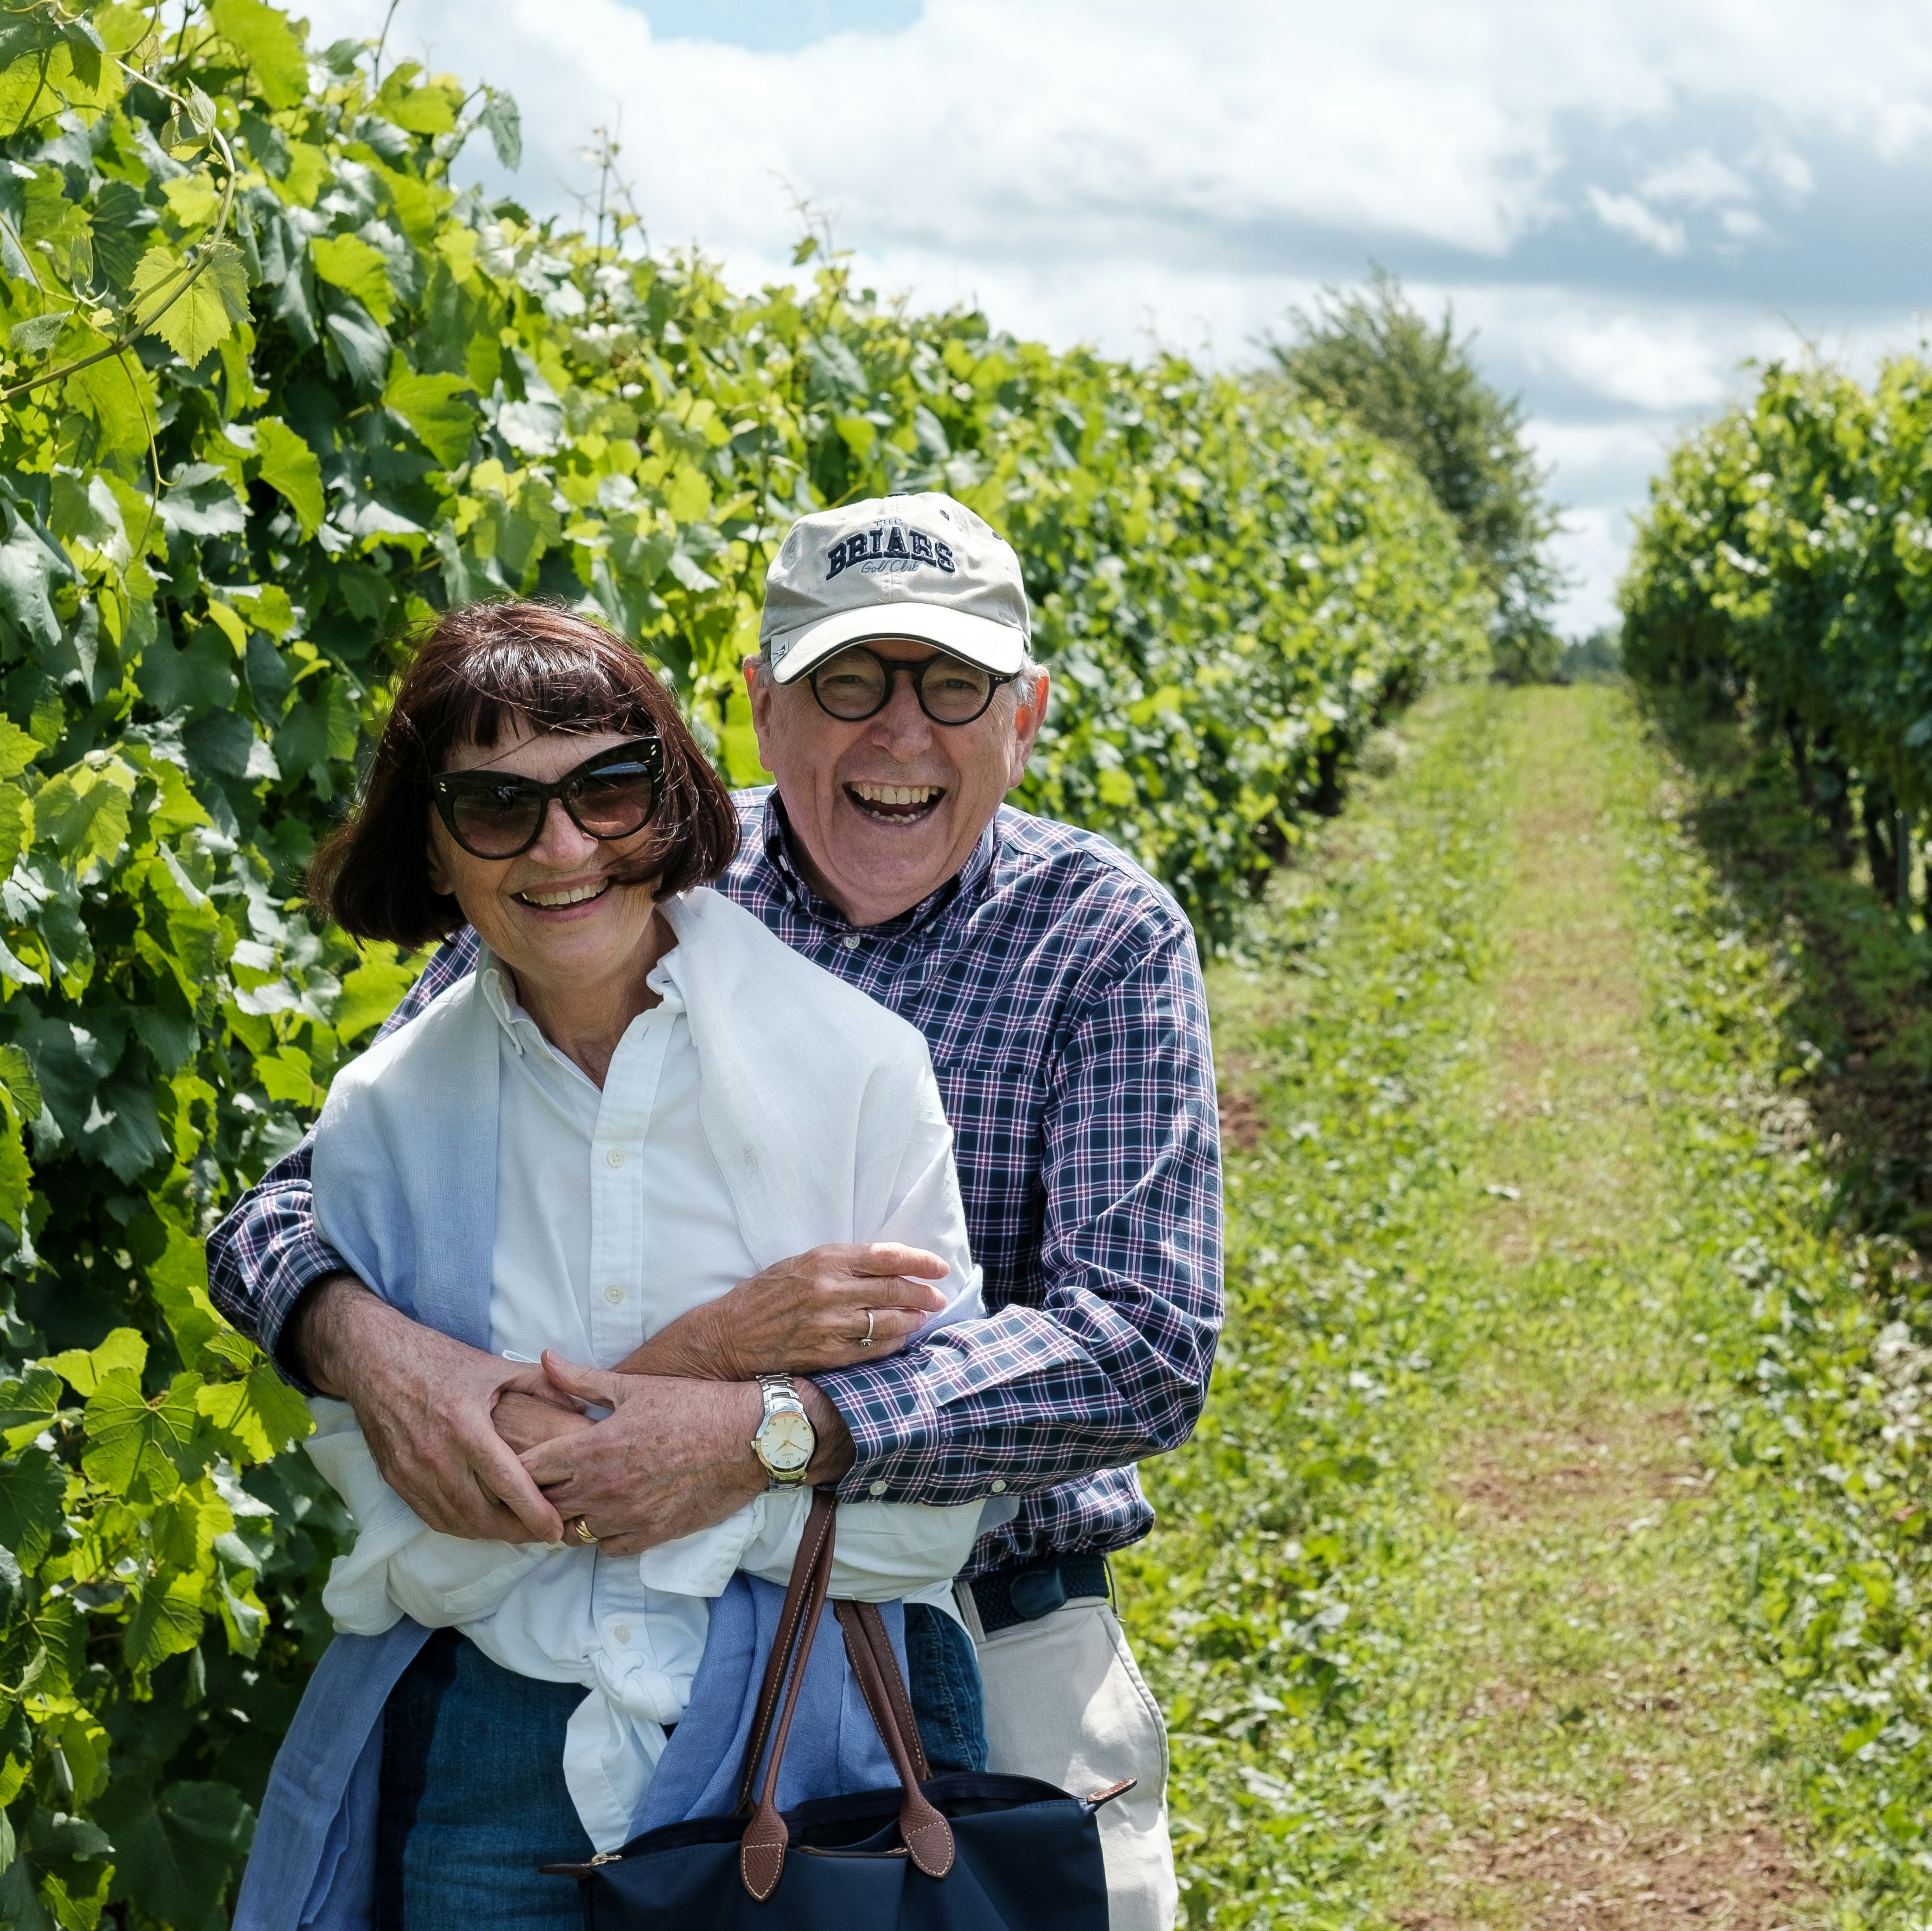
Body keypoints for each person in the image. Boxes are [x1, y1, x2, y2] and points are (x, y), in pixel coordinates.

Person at [216, 490, 1220, 1928]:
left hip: (983, 1636)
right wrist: (372, 1345)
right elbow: (302, 1199)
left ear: (1027, 715)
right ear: (760, 706)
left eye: (952, 684)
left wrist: (773, 1424)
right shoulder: (616, 863)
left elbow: (1140, 1341)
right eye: (847, 681)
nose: (899, 732)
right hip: (593, 1635)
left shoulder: (1101, 935)